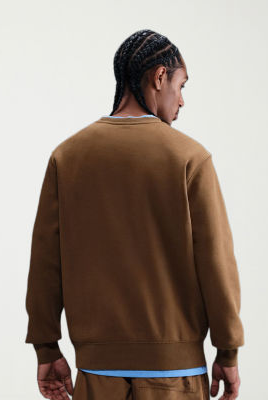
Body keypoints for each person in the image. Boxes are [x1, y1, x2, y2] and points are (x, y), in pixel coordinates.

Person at [25, 29, 244, 400]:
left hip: (97, 374)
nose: (182, 100)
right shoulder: (190, 158)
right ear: (159, 77)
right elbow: (215, 262)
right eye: (181, 85)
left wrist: (46, 348)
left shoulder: (68, 156)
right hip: (176, 375)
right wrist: (228, 350)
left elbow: (46, 262)